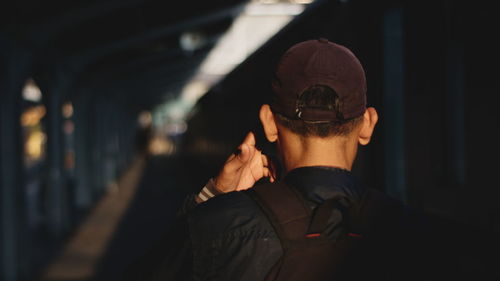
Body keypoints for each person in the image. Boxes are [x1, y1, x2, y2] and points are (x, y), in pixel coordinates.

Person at [123, 38, 485, 281]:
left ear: (269, 122)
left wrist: (210, 200)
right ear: (367, 125)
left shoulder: (215, 228)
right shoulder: (423, 236)